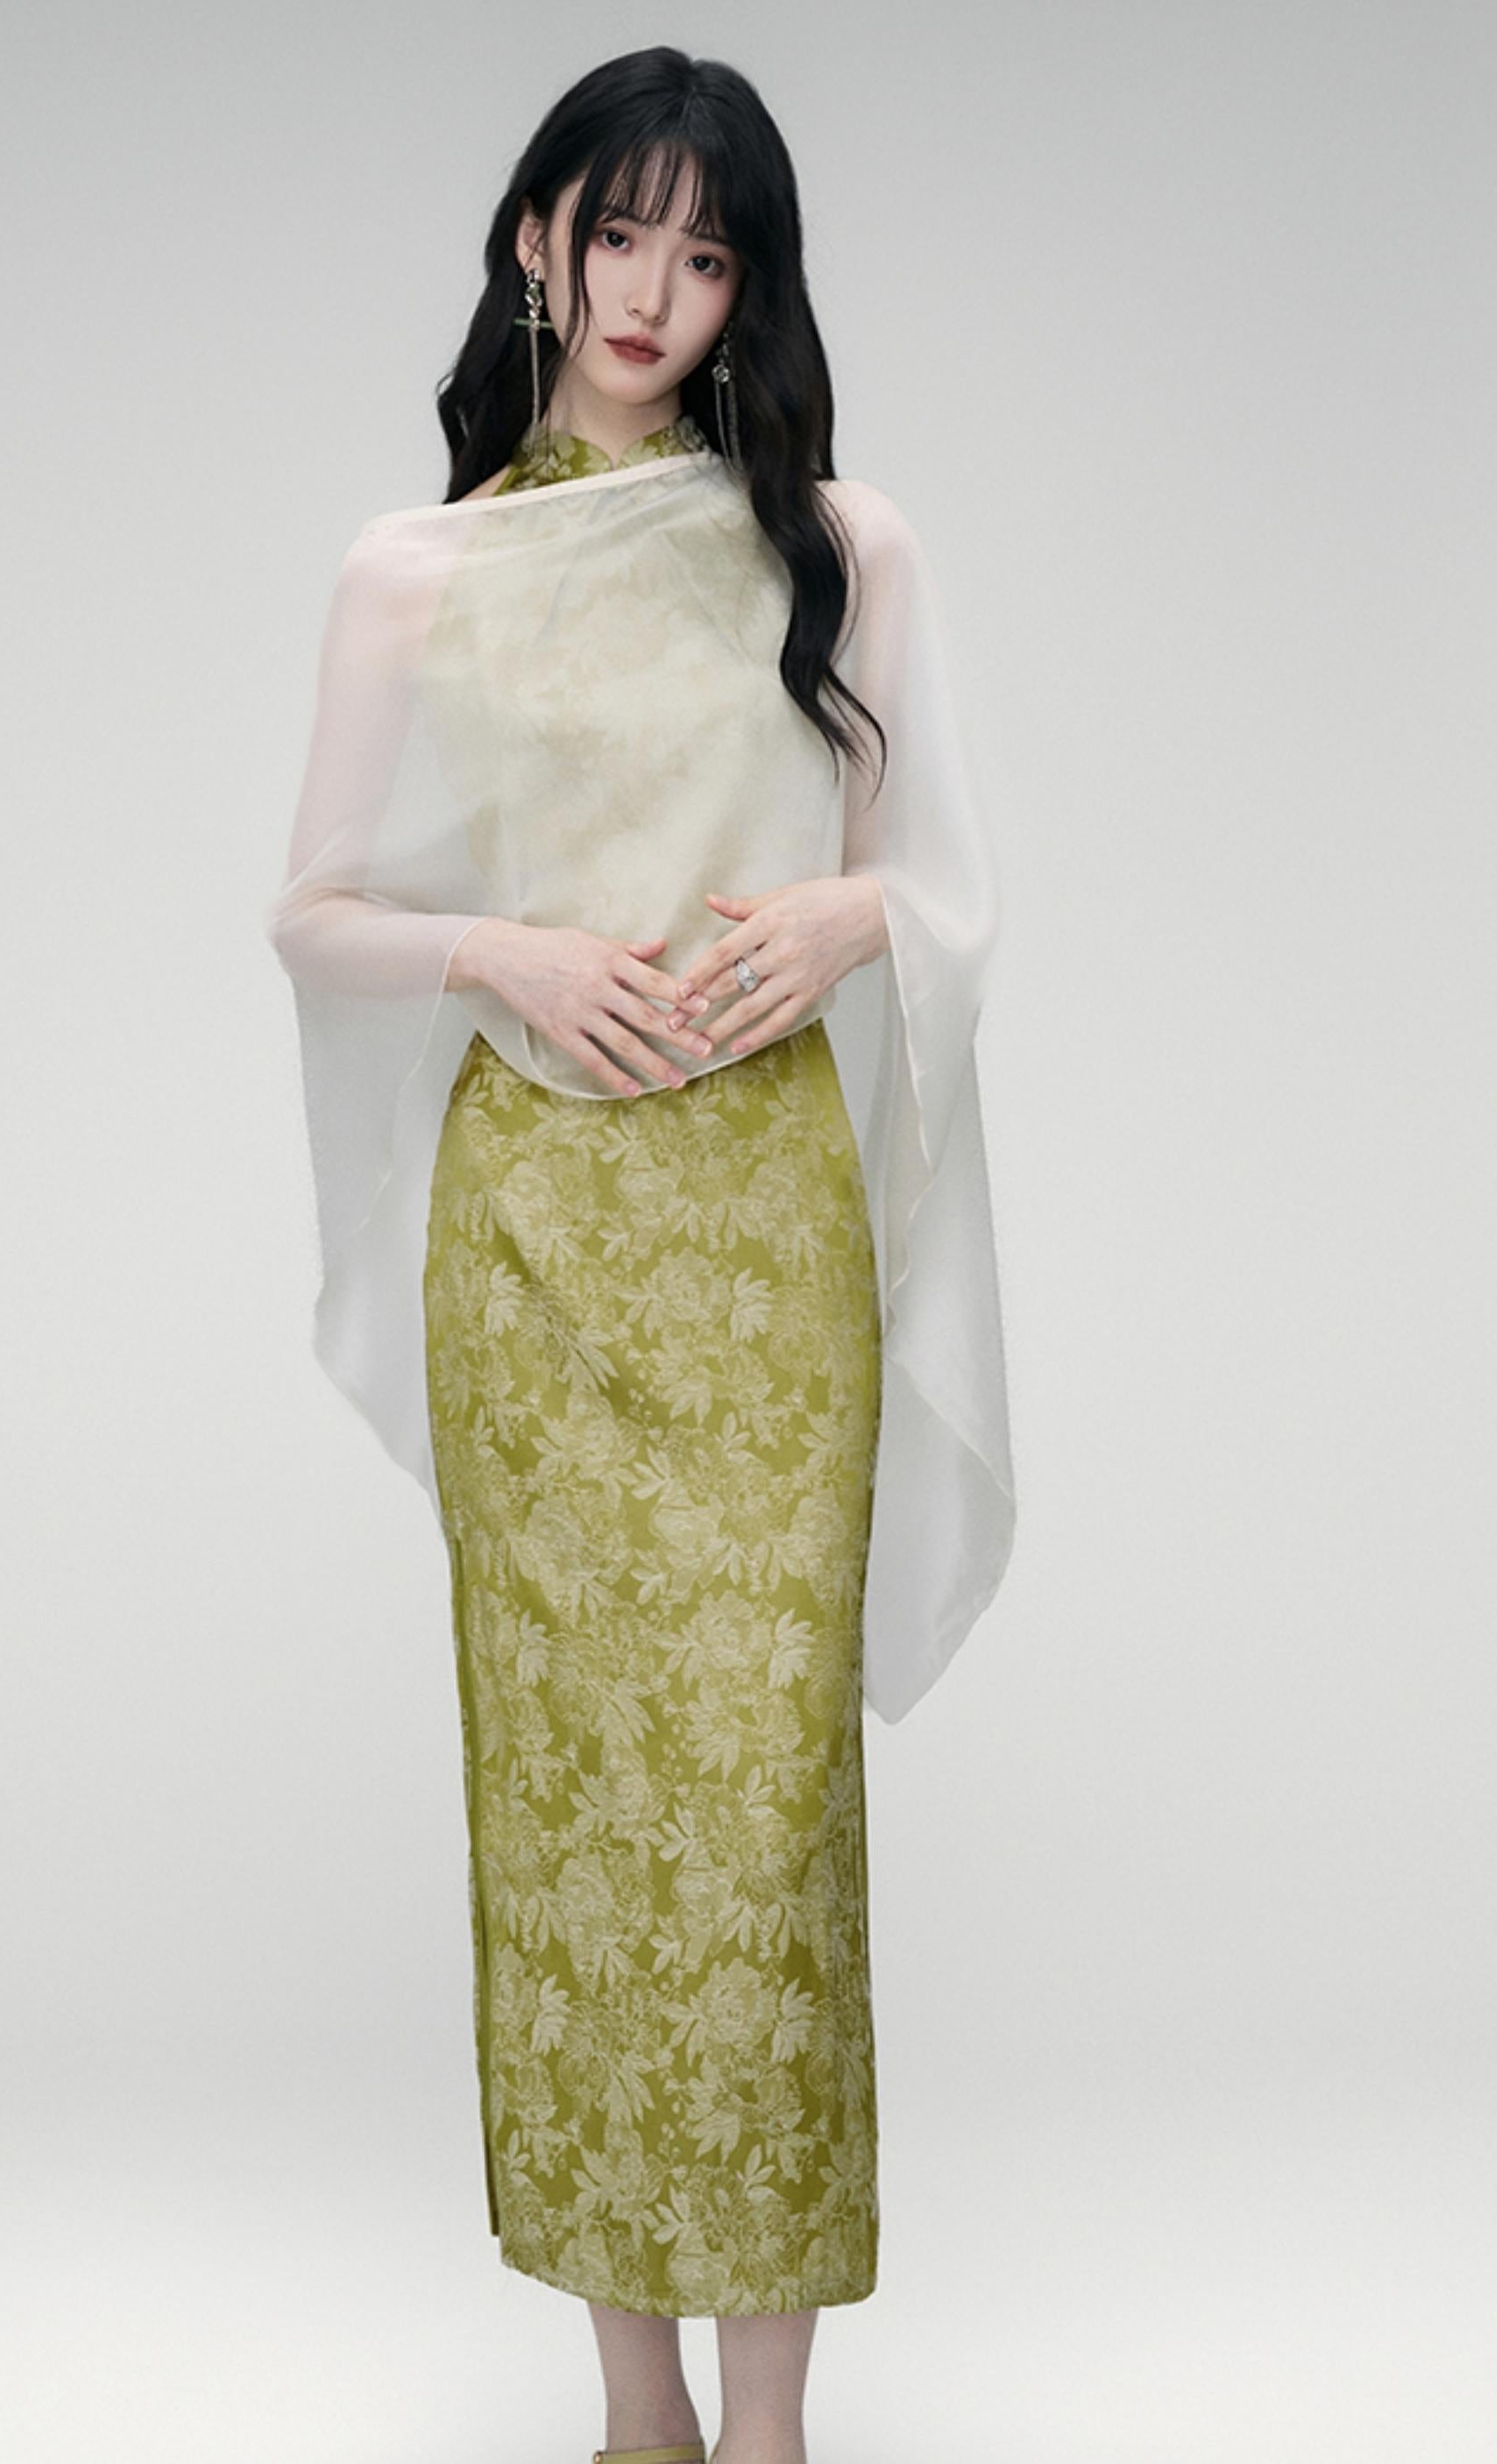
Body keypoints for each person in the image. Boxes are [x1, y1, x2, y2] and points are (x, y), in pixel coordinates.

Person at [267, 44, 1016, 2464]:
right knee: (575, 1801)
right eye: (619, 236)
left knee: (765, 1814)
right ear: (537, 239)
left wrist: (847, 914)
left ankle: (766, 2430)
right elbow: (310, 913)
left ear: (747, 286)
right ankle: (635, 2416)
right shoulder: (424, 569)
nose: (653, 293)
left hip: (770, 1237)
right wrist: (494, 952)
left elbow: (941, 886)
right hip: (544, 1249)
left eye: (707, 255)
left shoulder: (840, 544)